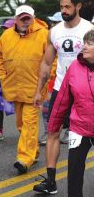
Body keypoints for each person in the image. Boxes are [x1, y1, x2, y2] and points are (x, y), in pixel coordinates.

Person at [33, 0, 94, 194]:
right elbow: (46, 62)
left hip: (85, 90)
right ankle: (51, 181)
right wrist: (38, 91)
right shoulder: (55, 31)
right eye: (61, 7)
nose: (64, 11)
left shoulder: (89, 29)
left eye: (67, 7)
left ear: (78, 6)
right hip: (61, 88)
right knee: (52, 132)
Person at [0, 5, 48, 174]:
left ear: (33, 18)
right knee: (21, 124)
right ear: (16, 19)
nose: (25, 21)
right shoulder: (7, 35)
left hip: (35, 89)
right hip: (15, 88)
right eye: (22, 18)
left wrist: (45, 80)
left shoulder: (44, 34)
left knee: (30, 123)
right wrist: (4, 77)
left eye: (28, 18)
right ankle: (34, 151)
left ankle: (24, 158)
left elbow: (51, 60)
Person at [47, 29, 94, 197]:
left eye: (90, 43)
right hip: (79, 128)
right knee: (74, 174)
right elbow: (62, 100)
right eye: (85, 42)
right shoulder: (75, 66)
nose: (84, 46)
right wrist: (53, 125)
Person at [38, 12, 62, 146]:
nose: (52, 25)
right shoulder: (49, 38)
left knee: (71, 108)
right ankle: (48, 131)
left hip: (66, 81)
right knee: (47, 107)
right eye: (52, 22)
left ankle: (69, 132)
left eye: (55, 22)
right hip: (51, 82)